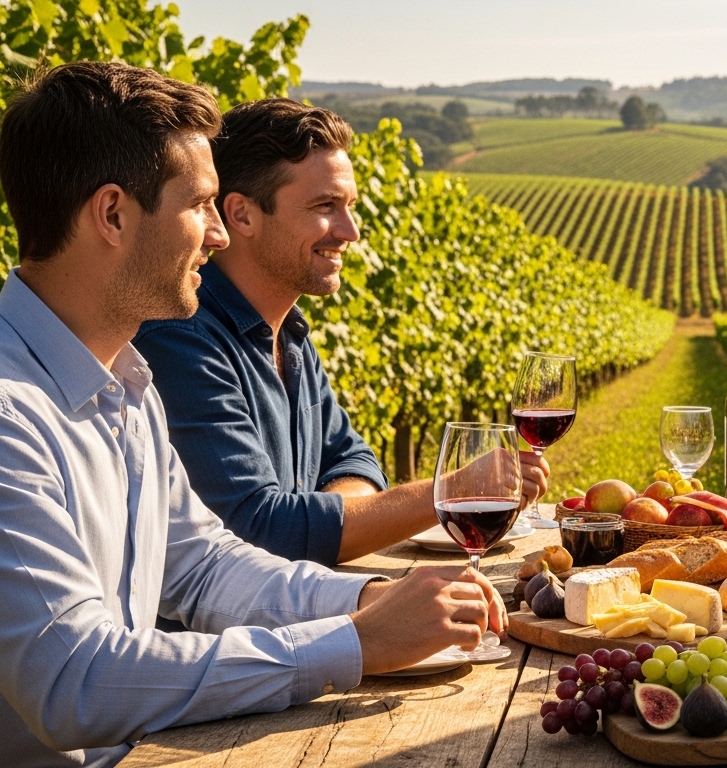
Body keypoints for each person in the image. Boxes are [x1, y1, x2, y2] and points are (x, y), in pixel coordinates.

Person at [0, 62, 507, 767]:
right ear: (112, 214)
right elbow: (71, 680)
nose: (216, 234)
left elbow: (206, 566)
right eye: (200, 205)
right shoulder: (9, 413)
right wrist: (353, 644)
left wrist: (368, 597)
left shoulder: (125, 380)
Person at [132, 98, 548, 566]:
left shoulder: (291, 335)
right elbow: (260, 533)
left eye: (348, 205)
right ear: (242, 215)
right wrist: (452, 490)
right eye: (325, 206)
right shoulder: (179, 339)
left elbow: (356, 461)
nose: (349, 231)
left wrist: (324, 514)